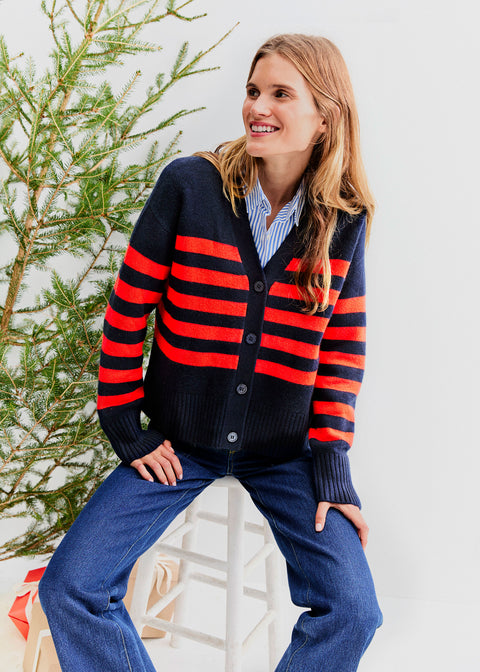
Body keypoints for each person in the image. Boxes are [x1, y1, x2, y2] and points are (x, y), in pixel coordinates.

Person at [39, 33, 383, 672]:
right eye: (254, 91)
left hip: (287, 456)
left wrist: (332, 469)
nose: (259, 106)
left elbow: (341, 351)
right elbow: (127, 310)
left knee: (355, 610)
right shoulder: (191, 186)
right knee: (72, 589)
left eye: (282, 93)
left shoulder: (344, 218)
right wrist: (124, 425)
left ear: (326, 114)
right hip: (177, 446)